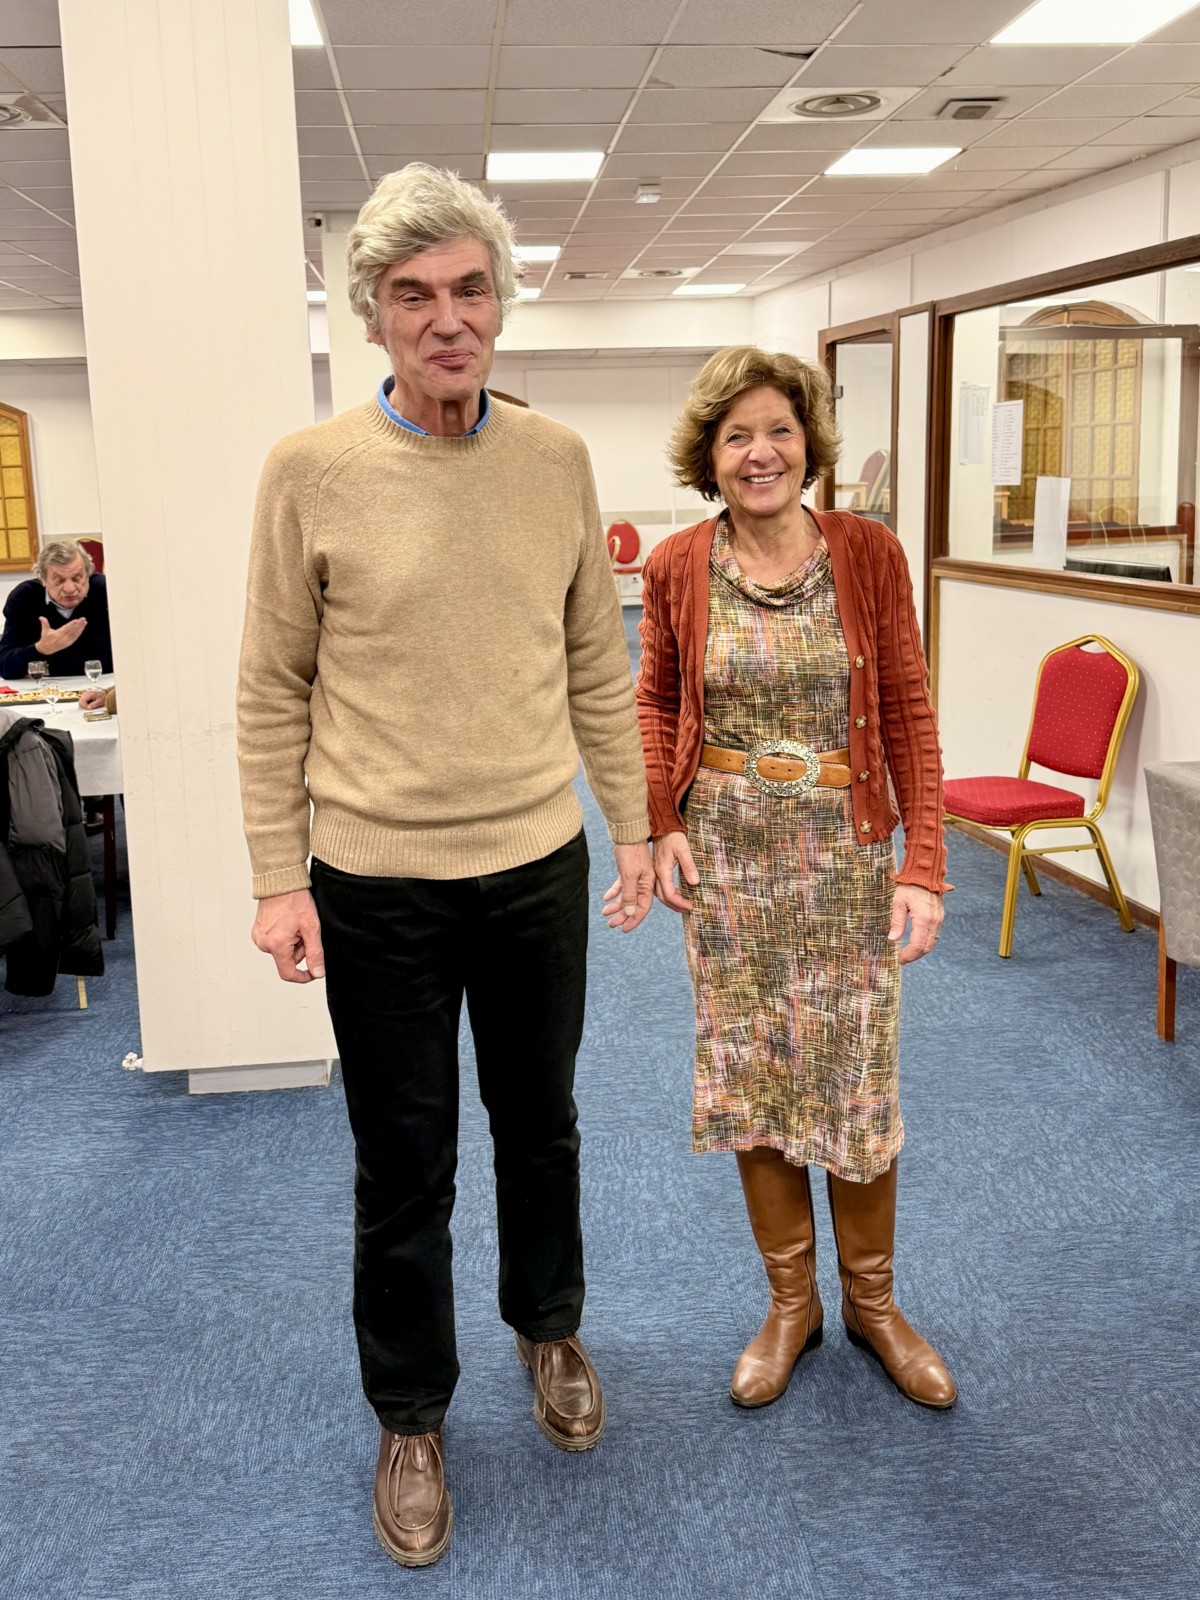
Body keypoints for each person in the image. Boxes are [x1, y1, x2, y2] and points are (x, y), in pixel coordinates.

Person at [236, 164, 653, 1569]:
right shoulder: (309, 472)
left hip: (535, 861)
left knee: (542, 1127)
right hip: (376, 883)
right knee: (403, 1163)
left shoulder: (556, 461)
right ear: (372, 316)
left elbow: (596, 662)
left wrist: (634, 825)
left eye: (471, 289)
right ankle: (411, 1414)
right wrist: (277, 875)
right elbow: (270, 686)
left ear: (502, 304)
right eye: (413, 296)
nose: (447, 318)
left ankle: (550, 1330)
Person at [625, 346, 956, 1415]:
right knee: (755, 1075)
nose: (760, 452)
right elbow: (654, 703)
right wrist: (659, 820)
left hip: (846, 853)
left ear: (808, 445)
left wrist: (923, 863)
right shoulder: (677, 565)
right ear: (709, 456)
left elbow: (906, 708)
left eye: (779, 430)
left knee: (855, 1076)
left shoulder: (868, 553)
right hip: (728, 860)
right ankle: (790, 1304)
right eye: (737, 436)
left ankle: (875, 1304)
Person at [0, 539, 113, 680]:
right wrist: (41, 648)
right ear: (43, 578)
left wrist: (46, 666)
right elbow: (4, 666)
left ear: (88, 573)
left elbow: (117, 658)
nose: (70, 589)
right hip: (43, 688)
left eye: (77, 578)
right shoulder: (24, 597)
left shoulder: (105, 591)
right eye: (59, 581)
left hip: (100, 685)